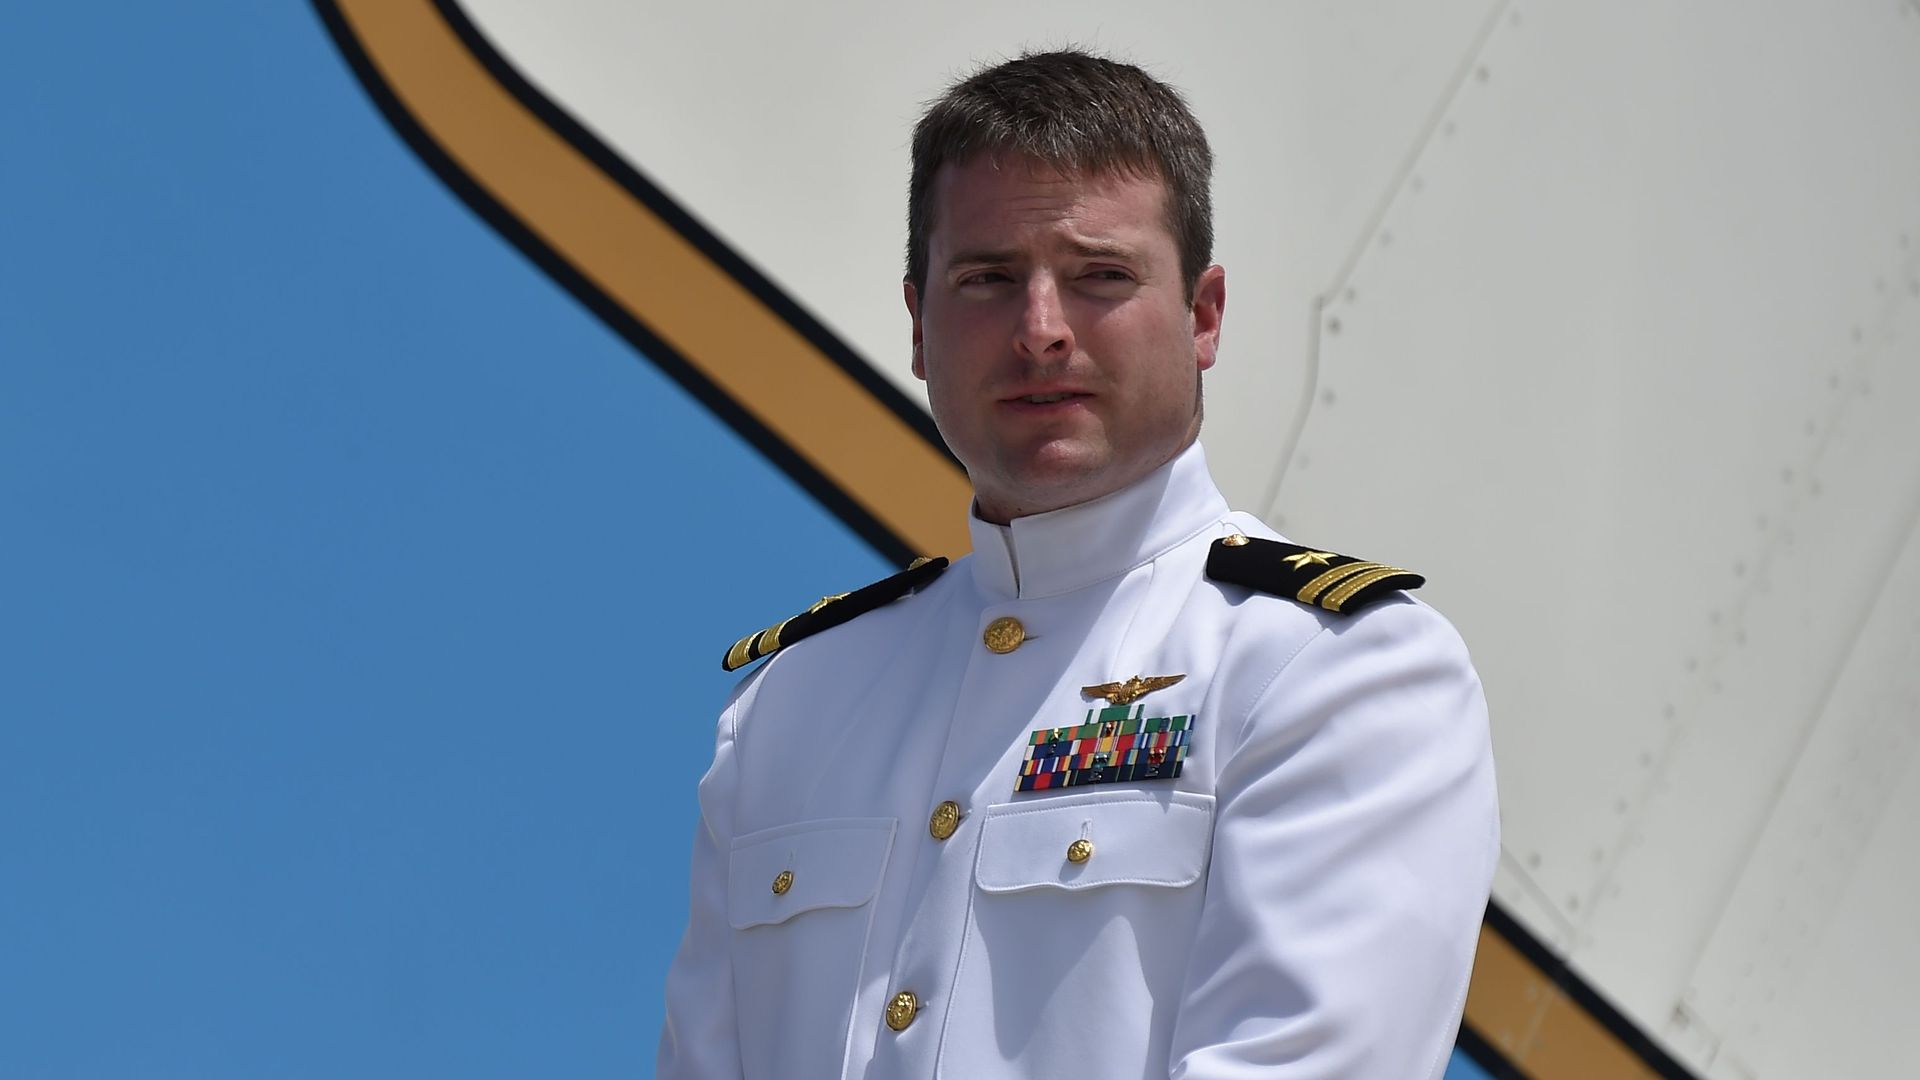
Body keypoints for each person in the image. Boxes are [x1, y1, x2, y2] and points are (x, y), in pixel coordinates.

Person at [658, 48, 1497, 1080]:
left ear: (1204, 316)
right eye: (988, 280)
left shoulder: (1333, 672)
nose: (1040, 331)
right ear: (919, 324)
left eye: (1100, 276)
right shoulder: (793, 705)